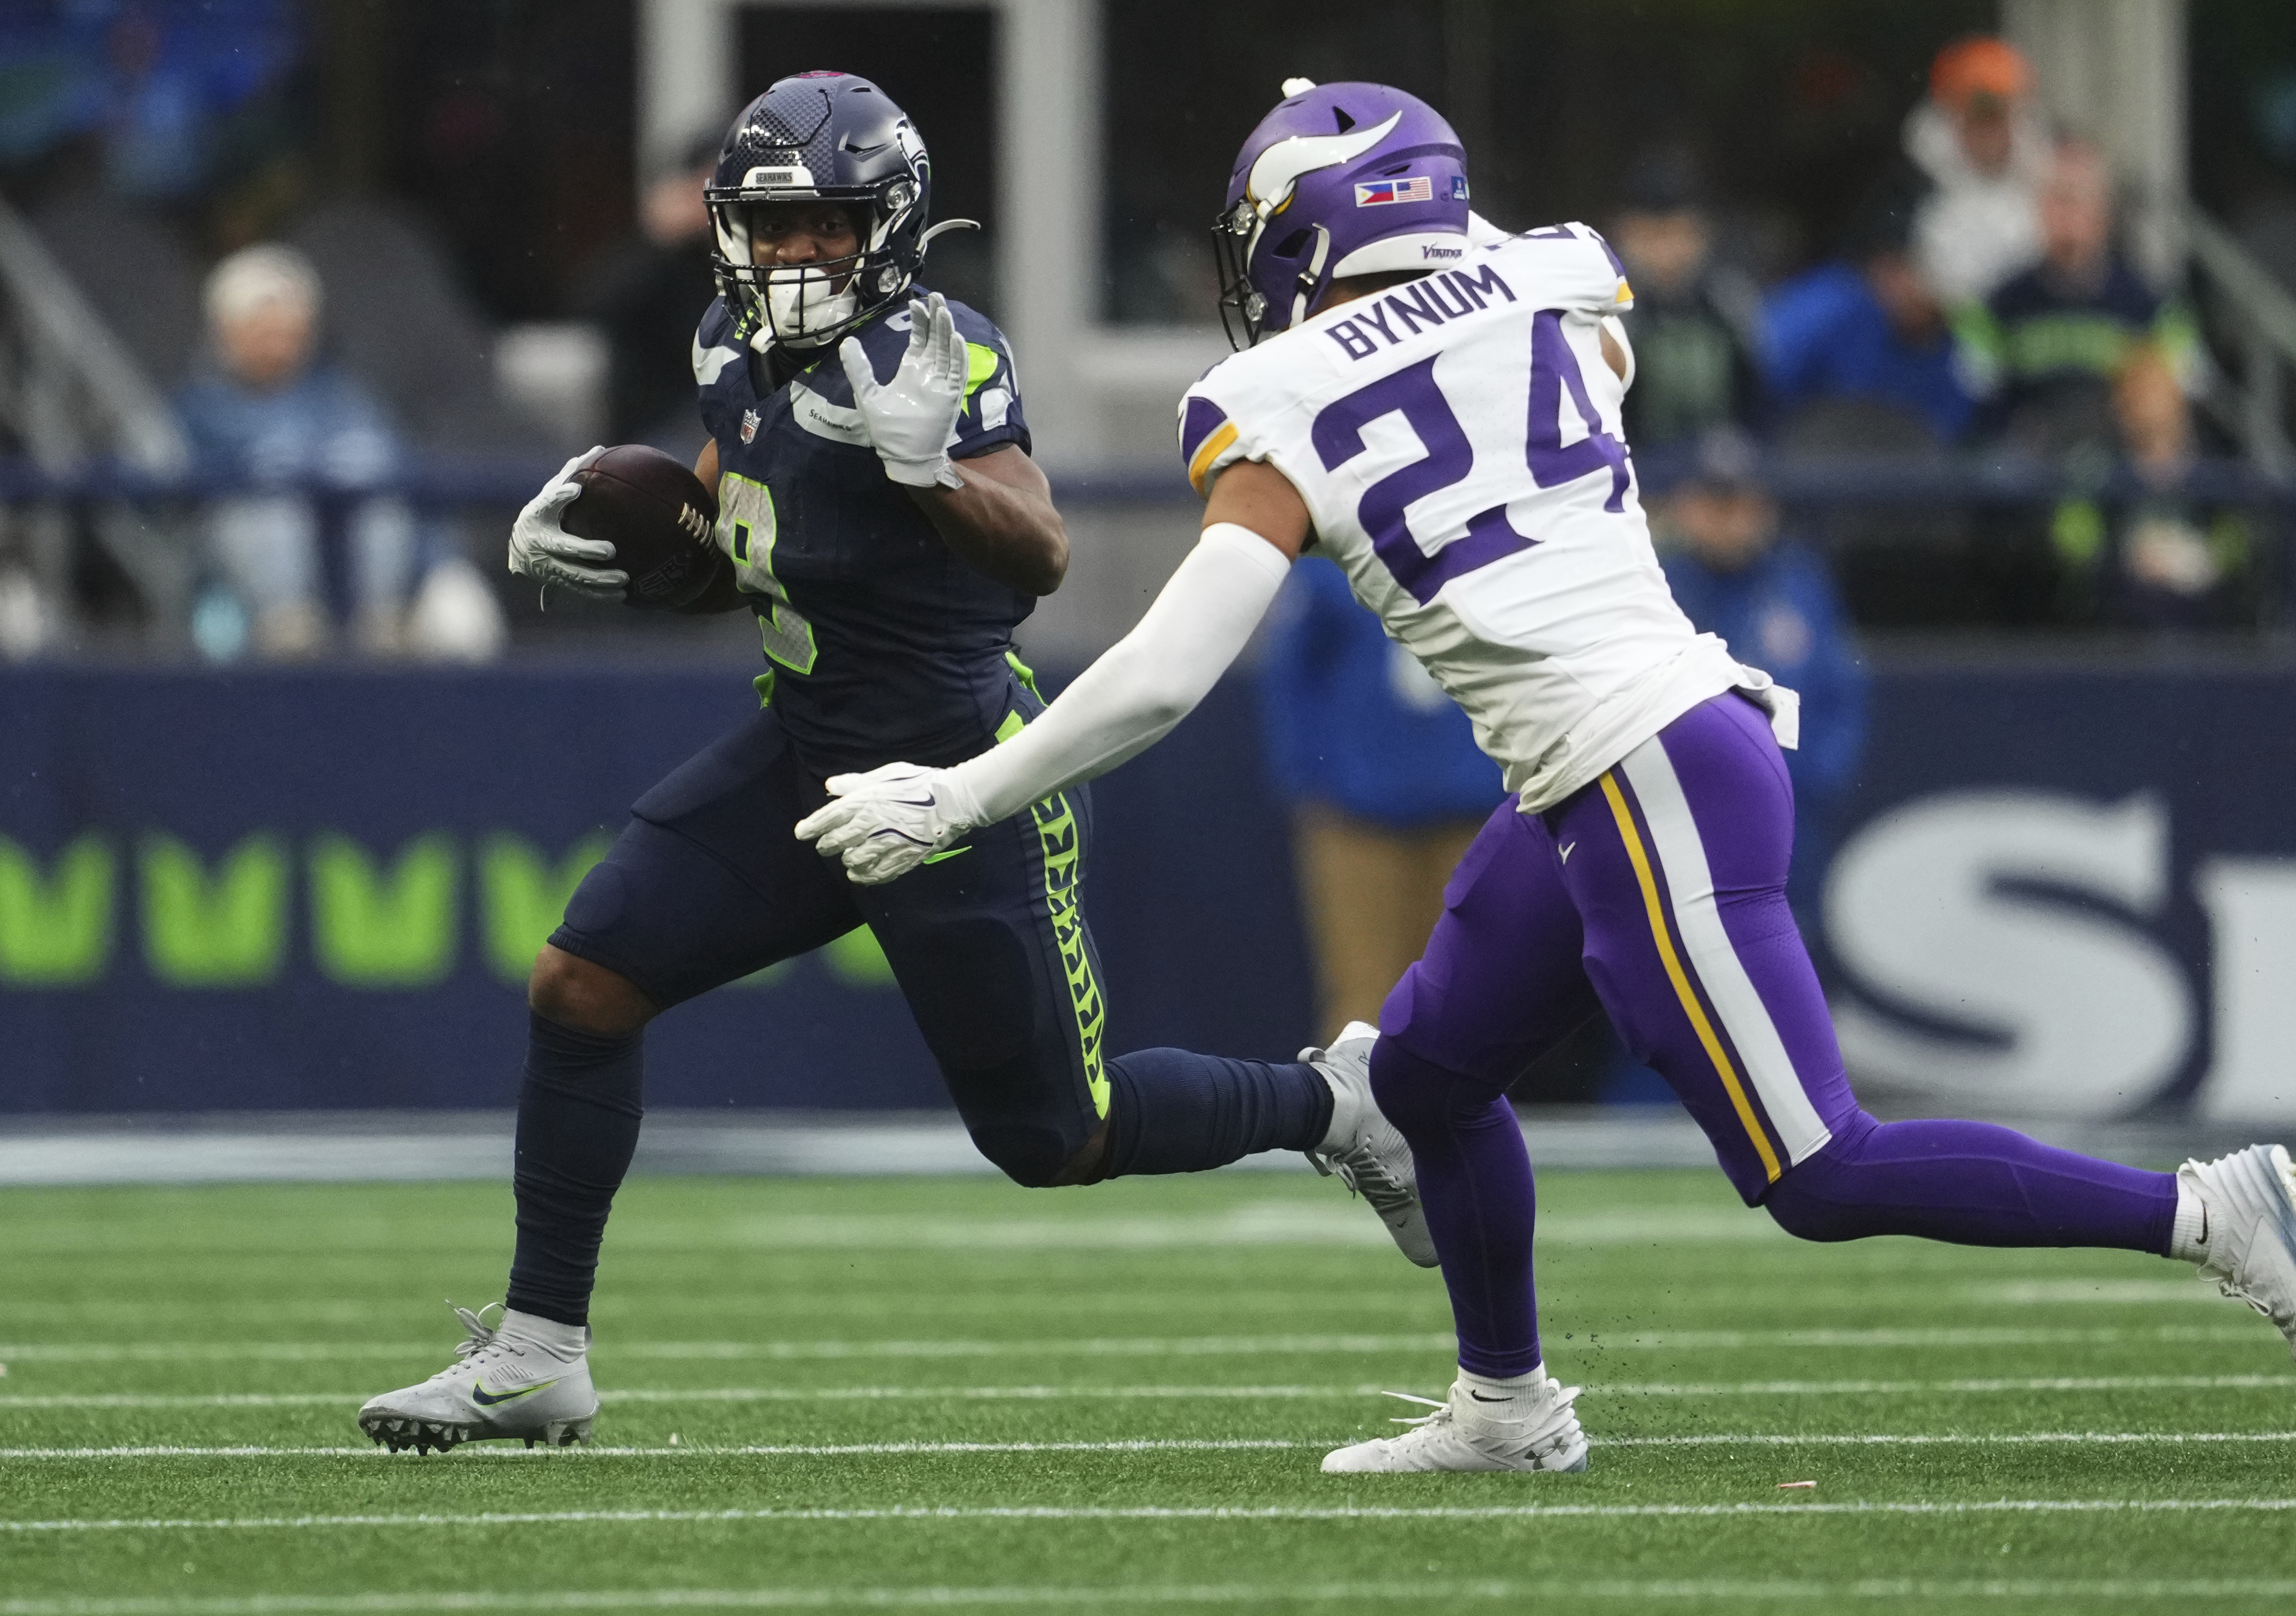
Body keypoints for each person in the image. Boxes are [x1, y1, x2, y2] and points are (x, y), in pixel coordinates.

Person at [803, 78, 2296, 1475]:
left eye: (1263, 231)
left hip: (1644, 763)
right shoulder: (1558, 277)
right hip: (1623, 759)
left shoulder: (1276, 402)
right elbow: (1562, 324)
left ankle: (2208, 1213)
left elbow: (1158, 675)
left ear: (1311, 232)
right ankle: (1506, 1406)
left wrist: (957, 793)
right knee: (1416, 1082)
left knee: (1818, 1166)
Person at [354, 72, 1431, 1456]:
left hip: (952, 776)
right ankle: (538, 1351)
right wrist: (636, 540)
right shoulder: (726, 352)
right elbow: (742, 551)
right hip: (806, 749)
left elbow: (1035, 551)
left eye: (829, 226)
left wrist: (933, 473)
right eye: (774, 226)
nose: (797, 253)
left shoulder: (936, 353)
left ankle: (1335, 1101)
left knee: (1056, 1134)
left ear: (893, 227)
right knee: (583, 977)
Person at [1953, 140, 2222, 623]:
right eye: (2054, 197)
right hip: (2035, 470)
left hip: (2124, 471)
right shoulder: (1998, 305)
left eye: (2077, 198)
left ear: (2104, 210)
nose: (2066, 213)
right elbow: (1976, 405)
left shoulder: (2150, 302)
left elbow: (2184, 400)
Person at [1260, 557, 1507, 1038]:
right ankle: (1360, 1111)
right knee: (1362, 993)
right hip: (1357, 817)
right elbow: (1290, 674)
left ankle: (1462, 1114)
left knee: (1470, 993)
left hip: (1473, 812)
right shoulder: (1333, 555)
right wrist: (1312, 788)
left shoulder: (1490, 543)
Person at [173, 245, 431, 658]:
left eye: (290, 328)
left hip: (350, 581)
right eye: (262, 326)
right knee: (268, 492)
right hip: (231, 591)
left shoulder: (342, 397)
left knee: (366, 465)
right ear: (226, 331)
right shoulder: (198, 406)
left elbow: (397, 473)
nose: (279, 340)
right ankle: (290, 635)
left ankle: (379, 628)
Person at [1655, 429, 1865, 915]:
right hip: (1681, 826)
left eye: (1740, 502)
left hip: (1788, 824)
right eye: (1713, 502)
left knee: (1792, 959)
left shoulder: (1798, 582)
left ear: (1764, 507)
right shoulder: (1656, 590)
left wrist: (1808, 787)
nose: (1728, 519)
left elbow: (1841, 694)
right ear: (1685, 506)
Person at [1760, 179, 1974, 446]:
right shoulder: (1833, 303)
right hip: (1799, 464)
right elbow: (1761, 378)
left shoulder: (1956, 336)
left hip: (1902, 473)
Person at [1602, 148, 1762, 447]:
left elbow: (1760, 400)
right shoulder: (1603, 314)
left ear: (1703, 235)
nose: (1666, 255)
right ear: (1624, 235)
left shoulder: (1731, 302)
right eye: (1650, 238)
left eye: (1678, 235)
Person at [576, 133, 725, 449]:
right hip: (652, 434)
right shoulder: (666, 260)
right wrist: (657, 239)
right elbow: (595, 303)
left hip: (729, 431)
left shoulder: (754, 260)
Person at [1904, 35, 2052, 308]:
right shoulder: (1911, 193)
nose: (1990, 134)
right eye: (1979, 119)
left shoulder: (2052, 184)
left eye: (2000, 118)